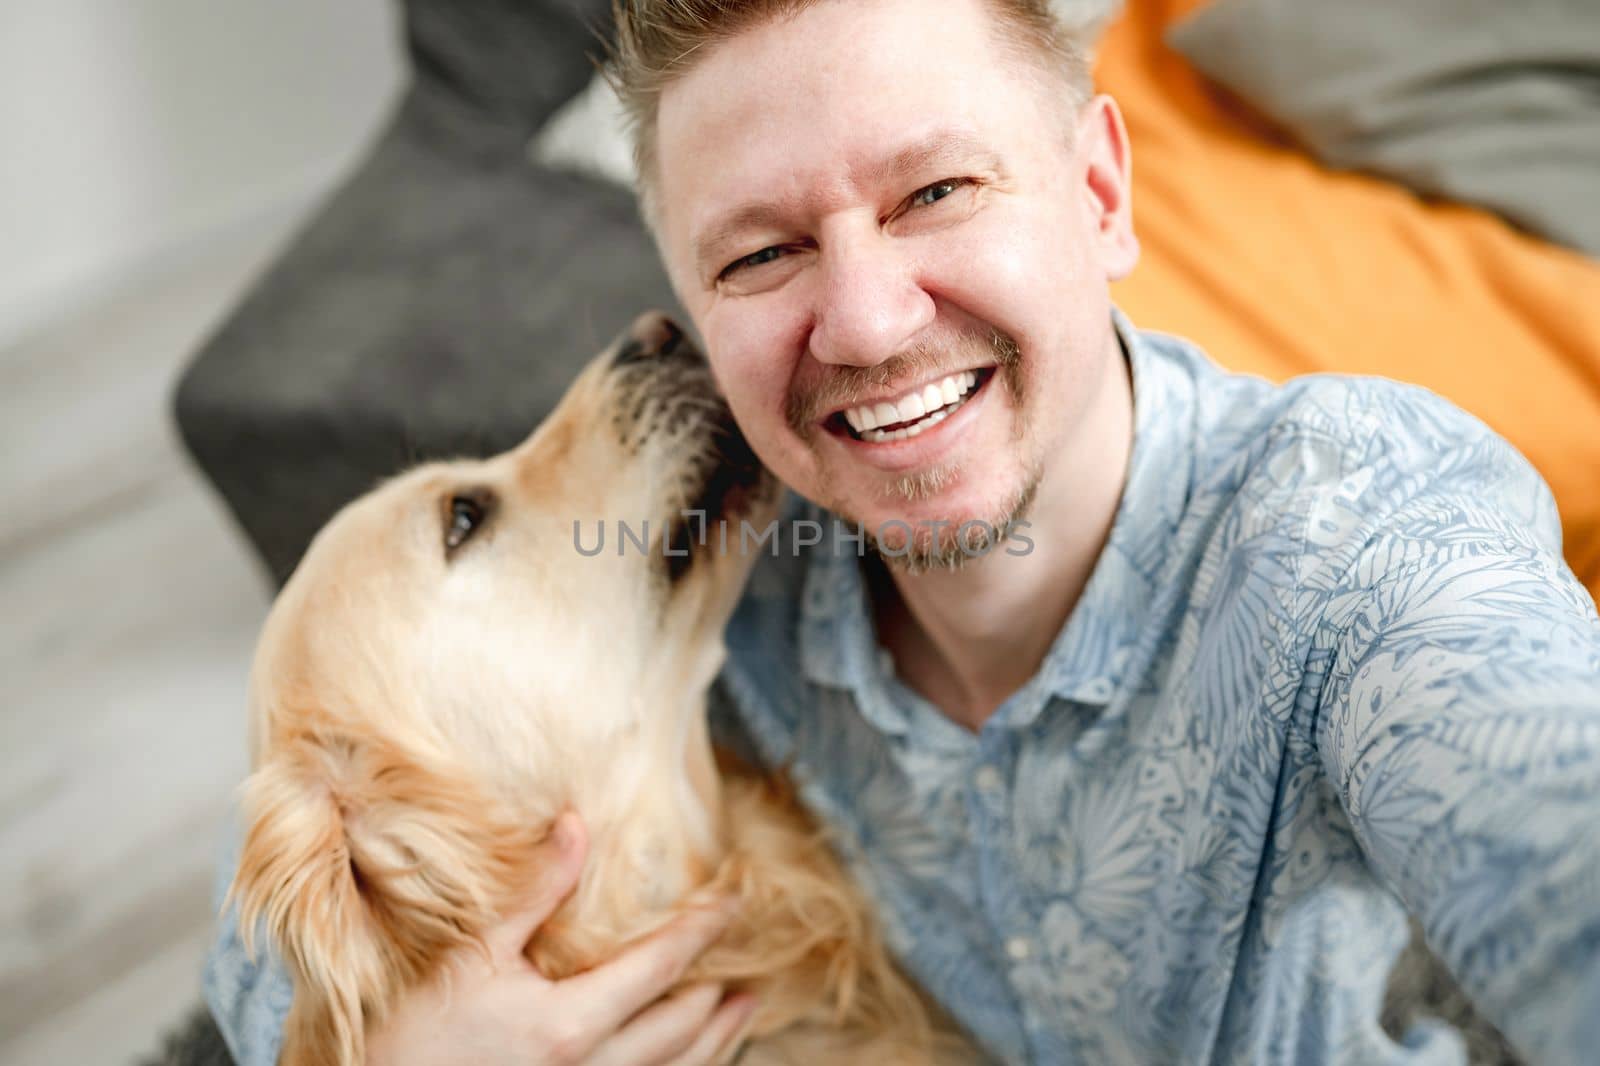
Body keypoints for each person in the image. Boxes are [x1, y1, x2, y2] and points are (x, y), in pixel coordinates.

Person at [204, 0, 1600, 1062]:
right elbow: (293, 871)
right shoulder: (718, 577)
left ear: (1104, 193)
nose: (867, 322)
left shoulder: (1354, 539)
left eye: (935, 192)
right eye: (759, 253)